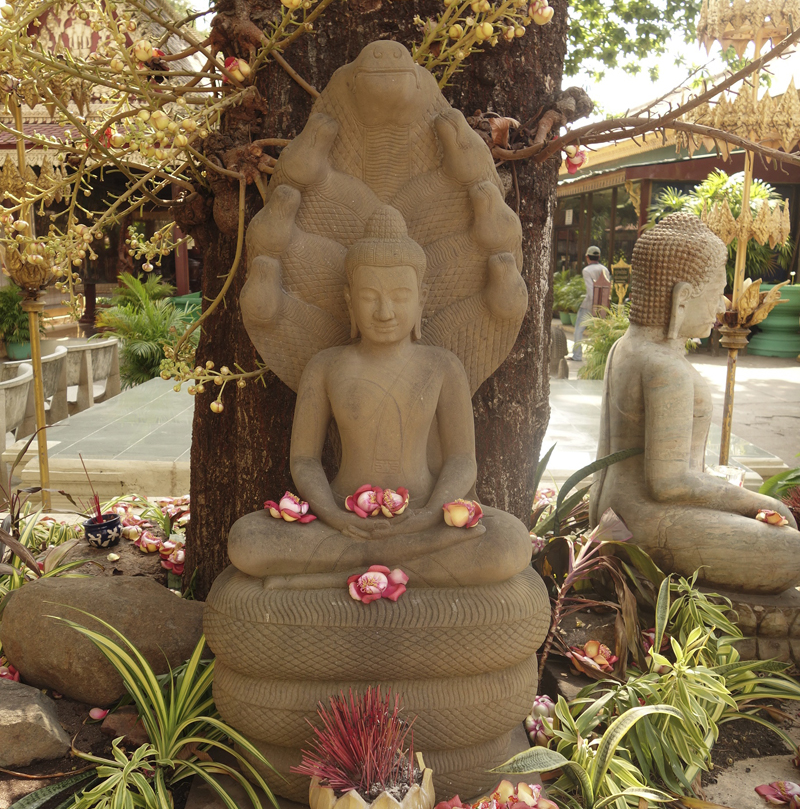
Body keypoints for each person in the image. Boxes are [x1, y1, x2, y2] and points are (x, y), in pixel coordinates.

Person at [228, 208, 533, 588]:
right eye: (369, 297)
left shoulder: (442, 366)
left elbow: (461, 460)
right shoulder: (325, 366)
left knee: (510, 544)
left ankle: (336, 575)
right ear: (349, 301)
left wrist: (428, 515)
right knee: (247, 541)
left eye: (400, 297)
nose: (385, 311)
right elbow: (304, 459)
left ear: (422, 300)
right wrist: (334, 515)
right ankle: (391, 567)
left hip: (423, 517)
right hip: (342, 517)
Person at [590, 210, 800, 593]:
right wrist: (753, 501)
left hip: (611, 510)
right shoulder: (664, 367)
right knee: (794, 553)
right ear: (682, 297)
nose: (721, 308)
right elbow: (668, 484)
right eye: (715, 292)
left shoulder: (626, 347)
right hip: (644, 522)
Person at [571, 244, 610, 362]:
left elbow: (590, 290)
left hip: (589, 305)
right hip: (603, 306)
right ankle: (601, 358)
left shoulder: (586, 270)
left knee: (579, 330)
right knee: (601, 332)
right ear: (598, 257)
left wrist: (593, 306)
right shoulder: (605, 270)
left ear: (587, 257)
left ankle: (577, 356)